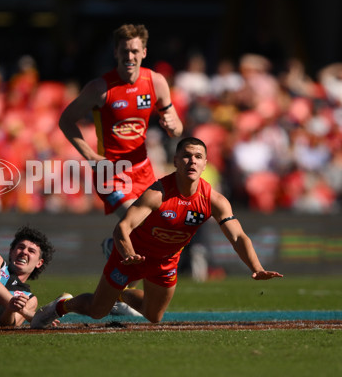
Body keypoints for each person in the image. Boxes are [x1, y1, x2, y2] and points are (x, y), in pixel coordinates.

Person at [31, 137, 283, 329]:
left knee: (154, 316)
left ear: (206, 163)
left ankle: (121, 295)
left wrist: (256, 267)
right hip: (132, 256)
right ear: (175, 161)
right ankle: (61, 305)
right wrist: (128, 253)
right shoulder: (158, 193)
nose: (192, 161)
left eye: (198, 156)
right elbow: (123, 227)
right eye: (186, 156)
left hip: (165, 262)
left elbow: (238, 237)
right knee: (97, 310)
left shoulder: (215, 200)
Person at [58, 23, 183, 314]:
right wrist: (89, 154)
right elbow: (66, 119)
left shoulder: (156, 82)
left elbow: (173, 118)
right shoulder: (100, 88)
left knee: (154, 229)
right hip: (109, 172)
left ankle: (113, 260)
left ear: (144, 52)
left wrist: (174, 125)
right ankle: (114, 250)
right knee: (134, 222)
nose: (130, 55)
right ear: (116, 52)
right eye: (125, 50)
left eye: (135, 50)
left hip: (143, 170)